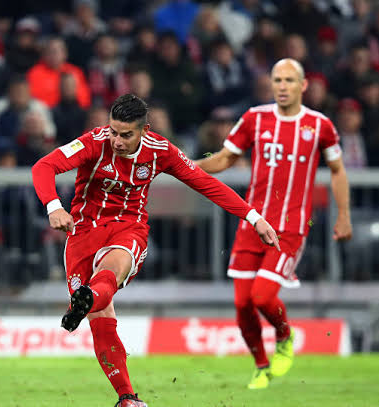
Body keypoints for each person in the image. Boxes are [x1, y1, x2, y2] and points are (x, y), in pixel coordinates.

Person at [31, 93, 280, 407]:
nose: (117, 141)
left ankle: (122, 384)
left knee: (112, 268)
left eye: (126, 135)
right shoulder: (94, 141)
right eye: (113, 131)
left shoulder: (160, 150)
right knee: (101, 316)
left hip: (128, 227)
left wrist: (254, 217)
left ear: (144, 130)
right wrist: (54, 206)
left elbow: (205, 182)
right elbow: (44, 166)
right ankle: (125, 394)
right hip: (83, 232)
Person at [197, 58, 353, 389]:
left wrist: (343, 215)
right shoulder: (255, 118)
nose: (282, 86)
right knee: (242, 304)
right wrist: (185, 166)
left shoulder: (320, 125)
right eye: (277, 80)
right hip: (252, 224)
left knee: (263, 297)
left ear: (303, 85)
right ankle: (261, 365)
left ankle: (284, 336)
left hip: (290, 228)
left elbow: (338, 170)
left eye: (289, 80)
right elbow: (225, 158)